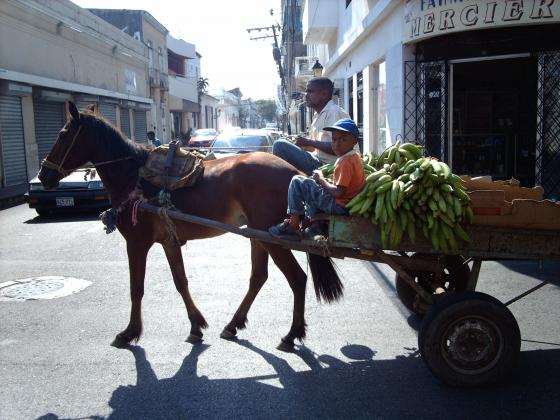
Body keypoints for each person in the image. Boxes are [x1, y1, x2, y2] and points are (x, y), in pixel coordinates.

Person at [269, 118, 365, 240]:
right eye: (334, 139)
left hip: (339, 206)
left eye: (343, 139)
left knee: (297, 180)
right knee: (311, 185)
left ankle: (293, 226)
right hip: (346, 204)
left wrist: (321, 179)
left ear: (354, 141)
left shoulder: (345, 161)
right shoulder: (354, 157)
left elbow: (338, 192)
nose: (337, 144)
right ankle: (315, 224)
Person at [272, 77, 354, 175]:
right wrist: (301, 145)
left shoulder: (334, 112)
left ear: (324, 94)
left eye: (310, 91)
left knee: (279, 145)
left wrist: (308, 142)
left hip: (328, 167)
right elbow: (315, 148)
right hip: (316, 160)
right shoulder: (317, 116)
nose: (306, 95)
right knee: (284, 144)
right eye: (306, 92)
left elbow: (342, 147)